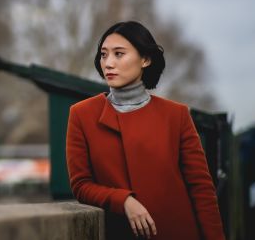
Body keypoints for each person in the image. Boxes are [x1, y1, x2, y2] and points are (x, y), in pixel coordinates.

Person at [66, 20, 225, 240]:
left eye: (119, 54)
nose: (108, 63)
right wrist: (123, 200)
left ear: (145, 59)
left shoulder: (176, 115)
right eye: (104, 55)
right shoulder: (81, 114)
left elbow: (201, 189)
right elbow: (81, 185)